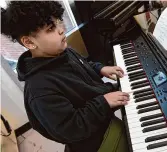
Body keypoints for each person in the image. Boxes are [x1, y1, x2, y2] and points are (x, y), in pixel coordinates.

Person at [1, 1, 130, 152]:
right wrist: (103, 103)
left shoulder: (62, 52)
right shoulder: (39, 90)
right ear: (29, 42)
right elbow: (71, 129)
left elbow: (83, 65)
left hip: (102, 121)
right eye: (51, 29)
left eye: (59, 23)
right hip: (94, 143)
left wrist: (100, 69)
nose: (61, 30)